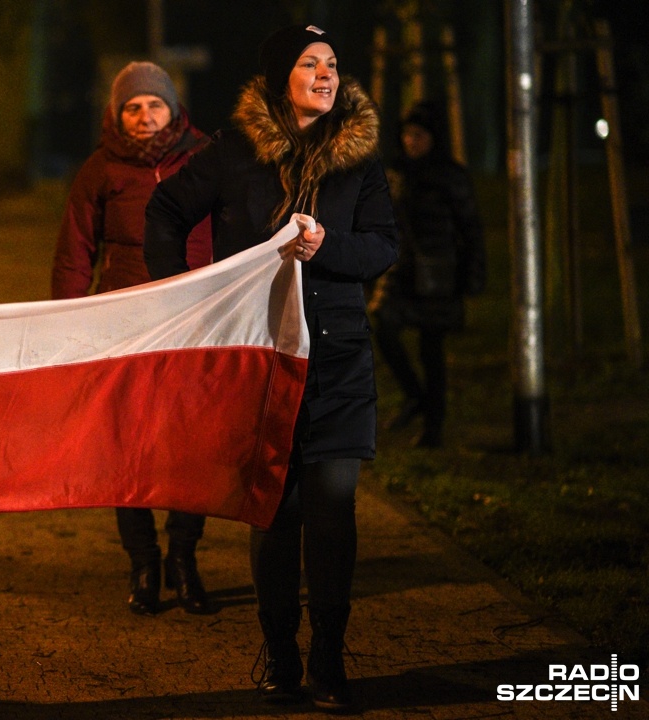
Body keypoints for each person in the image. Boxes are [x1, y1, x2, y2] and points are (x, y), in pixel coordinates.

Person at [144, 25, 398, 711]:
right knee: (277, 513)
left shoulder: (359, 160)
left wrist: (330, 245)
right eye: (310, 63)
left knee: (334, 511)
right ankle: (282, 652)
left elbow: (383, 247)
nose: (326, 74)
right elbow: (166, 210)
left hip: (338, 358)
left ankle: (329, 662)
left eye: (334, 64)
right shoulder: (233, 155)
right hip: (263, 359)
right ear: (279, 76)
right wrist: (188, 295)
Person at [52, 61, 214, 616]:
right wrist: (69, 325)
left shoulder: (206, 161)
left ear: (174, 109)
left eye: (155, 105)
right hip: (125, 325)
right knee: (129, 449)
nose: (145, 117)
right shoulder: (101, 170)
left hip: (197, 324)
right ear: (117, 115)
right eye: (133, 107)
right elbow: (76, 252)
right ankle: (143, 563)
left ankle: (185, 560)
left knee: (192, 448)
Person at [369, 100, 486, 448]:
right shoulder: (396, 173)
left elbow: (471, 228)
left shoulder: (450, 176)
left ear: (433, 138)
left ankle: (433, 427)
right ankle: (414, 396)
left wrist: (472, 277)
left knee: (431, 350)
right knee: (381, 323)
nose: (411, 142)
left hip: (439, 275)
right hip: (401, 271)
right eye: (407, 135)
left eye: (418, 135)